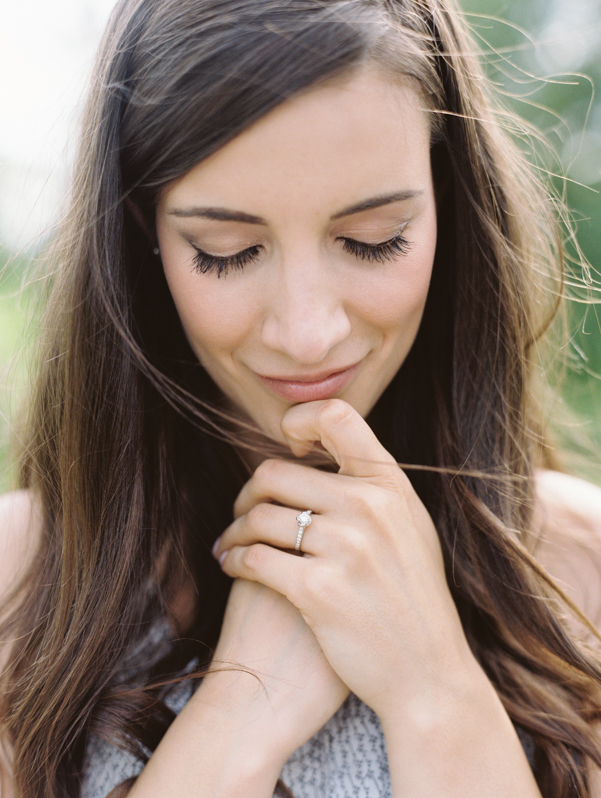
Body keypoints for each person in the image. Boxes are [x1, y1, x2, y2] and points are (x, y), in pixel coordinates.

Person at [2, 0, 601, 795]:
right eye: (227, 252)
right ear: (143, 233)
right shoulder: (19, 585)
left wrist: (434, 690)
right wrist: (239, 716)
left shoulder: (578, 572)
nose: (306, 332)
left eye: (372, 238)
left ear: (447, 203)